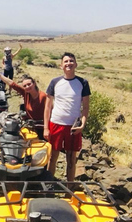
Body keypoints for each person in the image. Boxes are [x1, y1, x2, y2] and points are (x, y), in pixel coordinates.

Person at [44, 52, 90, 181]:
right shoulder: (55, 82)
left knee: (71, 158)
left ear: (76, 64)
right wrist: (46, 128)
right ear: (61, 65)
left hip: (73, 126)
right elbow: (48, 107)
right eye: (66, 61)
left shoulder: (83, 83)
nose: (68, 63)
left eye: (71, 61)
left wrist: (82, 124)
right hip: (56, 123)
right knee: (53, 157)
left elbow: (86, 107)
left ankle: (70, 187)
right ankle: (49, 184)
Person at [0, 70, 47, 138]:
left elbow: (49, 112)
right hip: (29, 125)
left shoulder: (43, 96)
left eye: (29, 84)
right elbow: (12, 84)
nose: (27, 87)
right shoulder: (26, 93)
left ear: (34, 84)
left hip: (42, 127)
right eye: (25, 86)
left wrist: (46, 127)